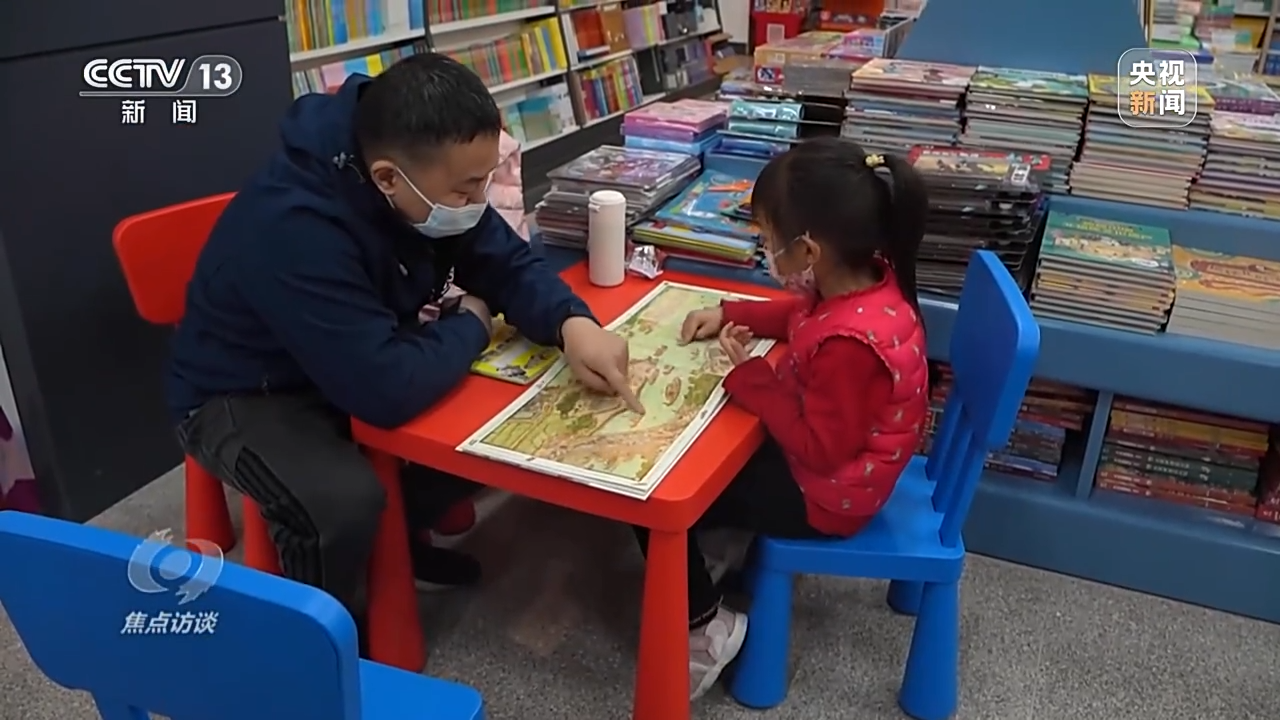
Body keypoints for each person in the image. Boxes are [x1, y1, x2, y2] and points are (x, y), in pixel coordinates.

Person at [167, 53, 643, 650]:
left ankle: (397, 544)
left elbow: (502, 258)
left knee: (488, 429)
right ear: (389, 179)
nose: (479, 199)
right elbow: (383, 389)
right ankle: (323, 643)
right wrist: (472, 324)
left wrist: (573, 324)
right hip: (244, 390)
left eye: (483, 179)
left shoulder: (421, 167)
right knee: (339, 503)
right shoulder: (294, 226)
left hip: (351, 348)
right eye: (467, 188)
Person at [653, 137, 932, 699]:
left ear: (807, 251)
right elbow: (801, 315)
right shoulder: (860, 280)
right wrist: (730, 312)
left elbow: (819, 448)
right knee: (709, 456)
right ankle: (724, 550)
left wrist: (754, 380)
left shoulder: (852, 345)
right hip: (834, 470)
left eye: (766, 239)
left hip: (827, 498)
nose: (762, 249)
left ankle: (706, 626)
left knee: (661, 495)